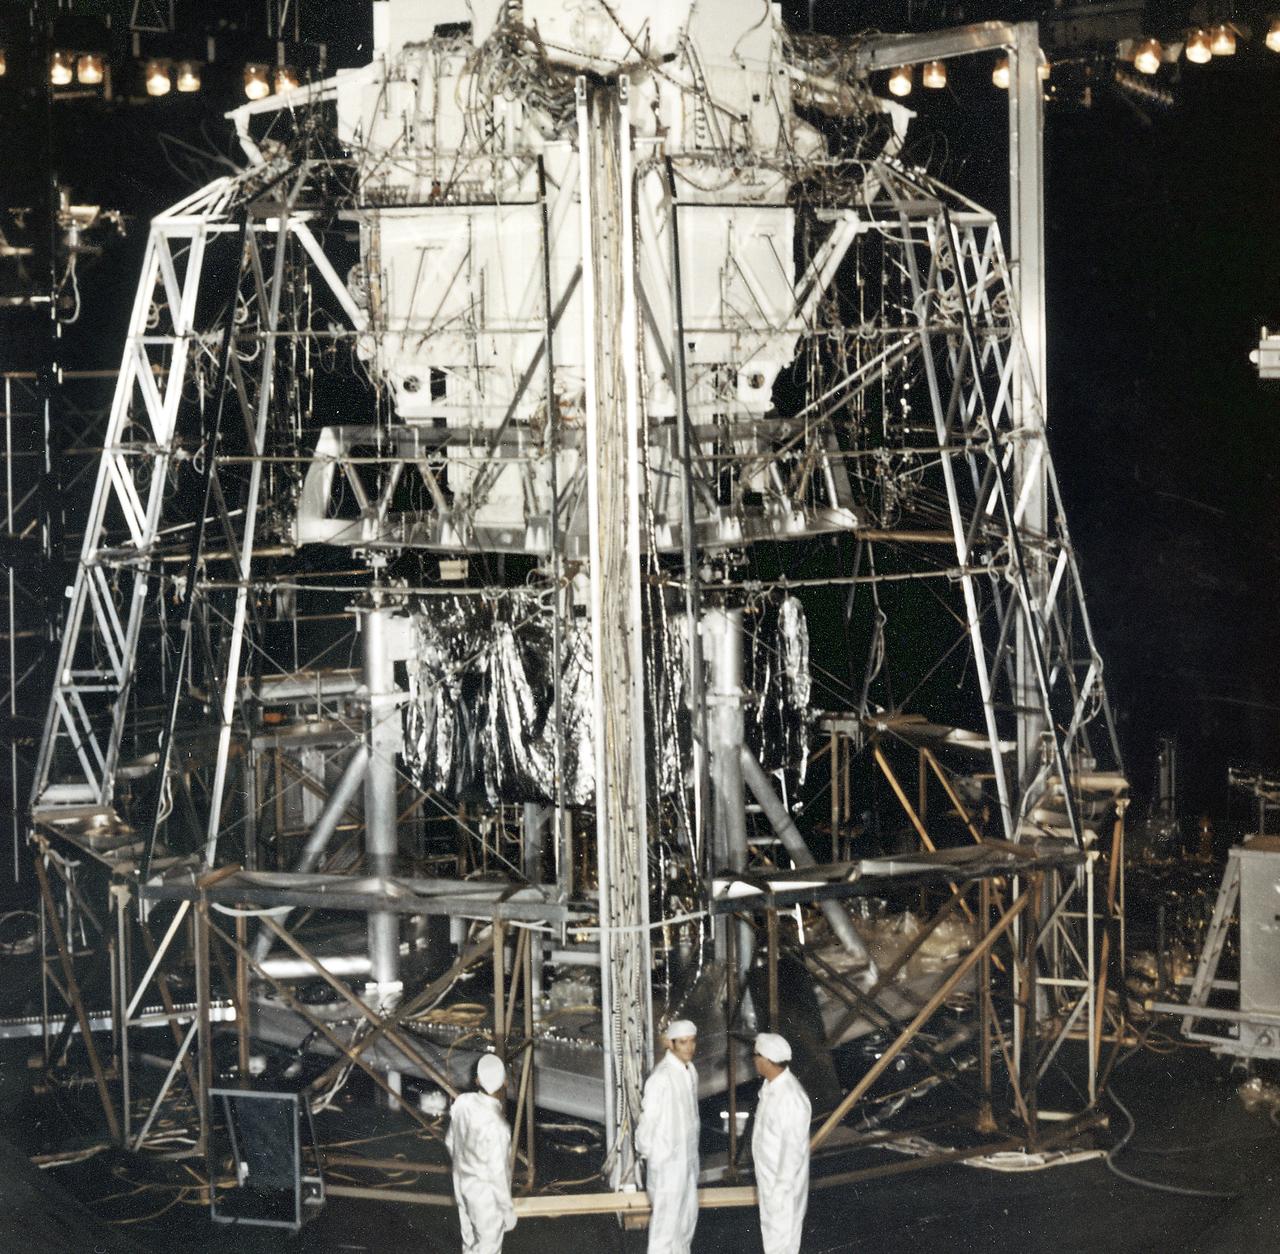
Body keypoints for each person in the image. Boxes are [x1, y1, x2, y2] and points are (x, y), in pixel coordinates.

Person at [634, 1018, 700, 1253]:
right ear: (671, 1044)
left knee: (685, 1222)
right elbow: (647, 1123)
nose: (689, 1047)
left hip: (688, 1161)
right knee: (665, 1227)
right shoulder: (660, 1078)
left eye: (692, 1042)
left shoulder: (690, 1071)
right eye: (683, 1042)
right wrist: (652, 1155)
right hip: (667, 1165)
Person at [446, 1053, 518, 1254]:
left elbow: (450, 1141)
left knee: (469, 1244)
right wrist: (507, 1211)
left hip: (461, 1185)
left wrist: (465, 1168)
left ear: (477, 1080)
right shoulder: (498, 1126)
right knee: (489, 1248)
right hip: (485, 1198)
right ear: (505, 1082)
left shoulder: (462, 1103)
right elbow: (498, 1175)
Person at [751, 1032, 811, 1254]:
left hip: (782, 1189)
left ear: (766, 1060)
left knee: (783, 1244)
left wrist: (780, 1193)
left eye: (756, 1055)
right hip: (769, 1182)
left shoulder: (791, 1098)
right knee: (773, 1242)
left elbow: (792, 1153)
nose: (754, 1060)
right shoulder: (770, 1088)